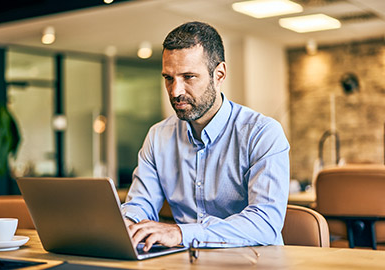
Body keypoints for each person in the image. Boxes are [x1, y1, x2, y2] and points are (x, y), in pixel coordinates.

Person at [121, 21, 289, 252]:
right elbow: (141, 203)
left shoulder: (262, 133)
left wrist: (181, 233)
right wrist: (127, 225)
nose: (175, 91)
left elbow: (265, 223)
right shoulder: (158, 136)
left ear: (219, 75)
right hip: (185, 262)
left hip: (254, 263)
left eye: (188, 77)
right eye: (168, 78)